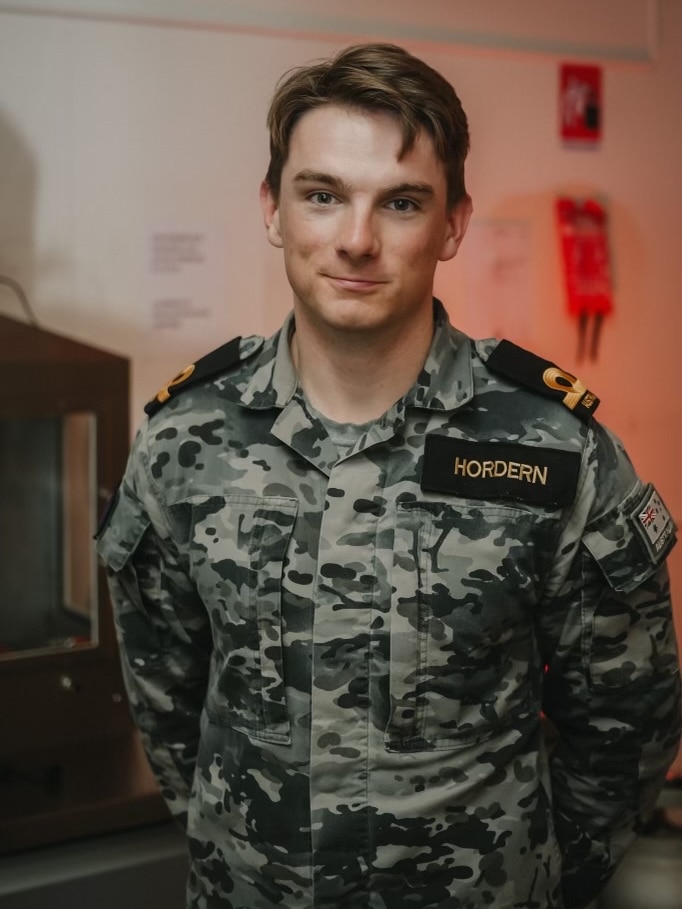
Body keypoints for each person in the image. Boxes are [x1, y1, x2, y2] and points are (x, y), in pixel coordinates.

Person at [96, 43, 681, 909]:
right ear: (273, 209)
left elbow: (625, 725)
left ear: (451, 224)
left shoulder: (554, 446)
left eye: (401, 202)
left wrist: (541, 880)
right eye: (322, 194)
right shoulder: (186, 441)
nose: (358, 239)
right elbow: (167, 702)